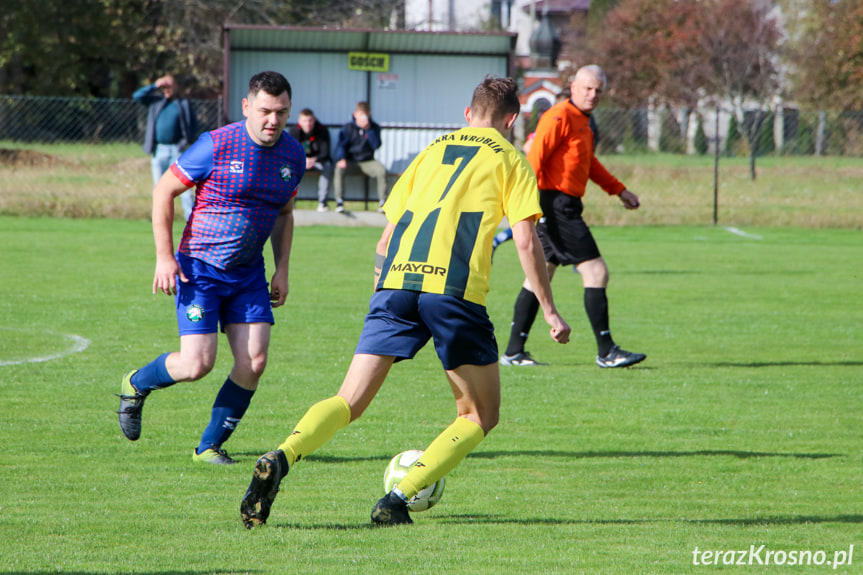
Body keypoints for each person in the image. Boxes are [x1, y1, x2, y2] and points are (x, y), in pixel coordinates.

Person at [240, 76, 571, 528]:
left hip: (395, 283)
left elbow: (388, 234)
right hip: (454, 294)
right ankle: (397, 499)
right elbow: (527, 242)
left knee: (348, 401)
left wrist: (382, 293)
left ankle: (282, 456)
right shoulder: (512, 160)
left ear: (467, 114)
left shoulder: (431, 152)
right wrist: (549, 309)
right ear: (512, 119)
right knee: (479, 414)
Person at [117, 71, 306, 464]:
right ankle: (136, 384)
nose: (273, 121)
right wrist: (164, 256)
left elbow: (284, 214)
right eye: (266, 111)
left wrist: (283, 269)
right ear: (247, 107)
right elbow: (164, 191)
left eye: (282, 113)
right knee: (196, 364)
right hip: (199, 269)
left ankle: (209, 446)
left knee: (254, 362)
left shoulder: (293, 154)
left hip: (249, 272)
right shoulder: (217, 145)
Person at [500, 65, 646, 369]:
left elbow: (589, 164)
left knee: (540, 276)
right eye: (588, 89)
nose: (593, 95)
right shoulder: (558, 116)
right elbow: (533, 162)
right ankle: (607, 351)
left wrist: (619, 191)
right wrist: (528, 207)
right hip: (554, 206)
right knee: (596, 272)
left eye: (598, 91)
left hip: (564, 205)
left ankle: (514, 352)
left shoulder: (584, 121)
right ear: (574, 87)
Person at [133, 74, 198, 221]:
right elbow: (137, 96)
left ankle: (192, 222)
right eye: (164, 87)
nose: (167, 90)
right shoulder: (157, 102)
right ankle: (161, 220)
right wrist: (155, 86)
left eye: (170, 86)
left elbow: (193, 126)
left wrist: (184, 142)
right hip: (159, 150)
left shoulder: (183, 104)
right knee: (159, 189)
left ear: (176, 86)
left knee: (185, 189)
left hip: (177, 151)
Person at [333, 101, 388, 213]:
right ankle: (339, 201)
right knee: (339, 169)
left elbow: (376, 145)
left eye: (365, 114)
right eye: (361, 114)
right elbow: (341, 145)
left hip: (367, 161)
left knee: (381, 170)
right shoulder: (348, 128)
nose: (363, 117)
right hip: (351, 161)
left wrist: (368, 130)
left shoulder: (374, 128)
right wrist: (341, 158)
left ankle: (383, 202)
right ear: (355, 114)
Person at [288, 109, 334, 212]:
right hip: (299, 162)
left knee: (327, 166)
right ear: (300, 121)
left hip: (317, 162)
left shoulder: (322, 131)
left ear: (314, 120)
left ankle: (322, 202)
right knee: (288, 167)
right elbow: (290, 152)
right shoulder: (294, 131)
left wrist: (313, 160)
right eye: (305, 121)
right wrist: (303, 160)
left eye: (310, 121)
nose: (308, 124)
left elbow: (325, 153)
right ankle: (290, 201)